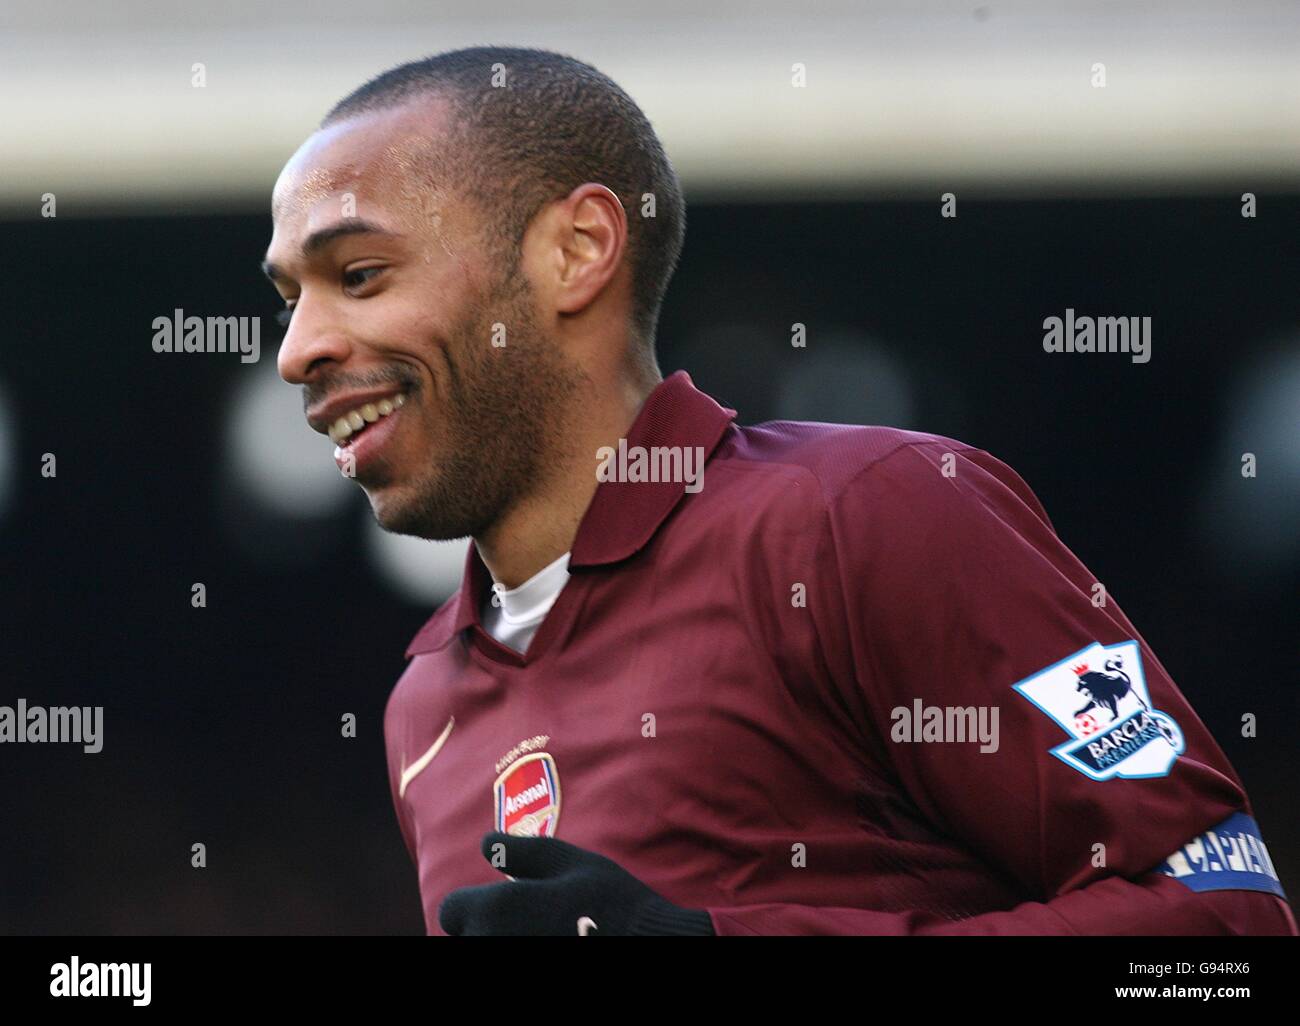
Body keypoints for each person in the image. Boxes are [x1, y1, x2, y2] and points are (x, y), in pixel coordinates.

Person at [263, 46, 1295, 936]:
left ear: (575, 252)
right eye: (288, 299)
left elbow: (1221, 932)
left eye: (358, 275)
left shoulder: (867, 516)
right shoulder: (420, 710)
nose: (297, 350)